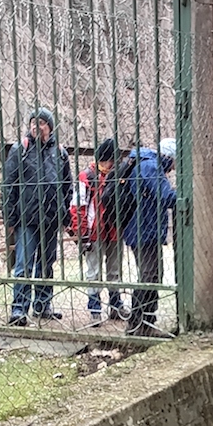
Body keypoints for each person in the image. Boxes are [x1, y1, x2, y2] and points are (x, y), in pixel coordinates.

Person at [2, 107, 73, 326]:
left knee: (46, 264)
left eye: (41, 122)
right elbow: (8, 185)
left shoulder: (59, 153)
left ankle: (43, 305)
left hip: (51, 218)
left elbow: (67, 186)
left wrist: (64, 215)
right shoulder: (20, 149)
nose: (36, 126)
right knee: (23, 264)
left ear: (49, 127)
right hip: (27, 218)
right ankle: (18, 309)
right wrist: (10, 219)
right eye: (33, 122)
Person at [122, 138, 177, 337]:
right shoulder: (150, 167)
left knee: (152, 275)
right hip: (143, 230)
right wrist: (187, 194)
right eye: (175, 162)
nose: (173, 169)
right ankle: (140, 324)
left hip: (145, 229)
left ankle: (143, 322)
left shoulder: (147, 164)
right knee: (149, 276)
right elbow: (167, 197)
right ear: (169, 157)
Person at [70, 138, 128, 325]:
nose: (114, 164)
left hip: (115, 230)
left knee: (114, 270)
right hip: (94, 232)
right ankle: (94, 308)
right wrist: (82, 233)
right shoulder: (86, 177)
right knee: (93, 271)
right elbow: (78, 206)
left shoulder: (119, 175)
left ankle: (115, 305)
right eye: (112, 160)